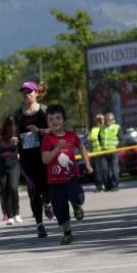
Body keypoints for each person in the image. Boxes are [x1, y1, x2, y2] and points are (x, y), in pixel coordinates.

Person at [41, 104, 93, 245]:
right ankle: (67, 233)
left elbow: (82, 148)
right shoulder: (47, 139)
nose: (55, 121)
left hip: (71, 178)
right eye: (51, 119)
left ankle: (76, 205)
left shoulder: (72, 136)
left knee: (78, 197)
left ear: (64, 119)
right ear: (48, 122)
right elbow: (45, 159)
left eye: (58, 118)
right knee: (60, 210)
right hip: (54, 182)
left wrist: (87, 164)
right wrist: (57, 148)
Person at [13, 81, 53, 238]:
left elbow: (54, 130)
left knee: (46, 188)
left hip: (44, 155)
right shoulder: (18, 113)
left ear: (36, 92)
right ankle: (39, 224)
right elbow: (15, 131)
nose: (26, 94)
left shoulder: (44, 110)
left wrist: (39, 131)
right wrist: (14, 138)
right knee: (33, 190)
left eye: (29, 91)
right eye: (24, 91)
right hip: (26, 158)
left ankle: (48, 203)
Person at [0, 115, 23, 226]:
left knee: (13, 187)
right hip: (1, 165)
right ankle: (10, 216)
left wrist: (19, 150)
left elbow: (23, 147)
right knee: (4, 190)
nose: (11, 129)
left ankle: (16, 213)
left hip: (14, 165)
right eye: (9, 126)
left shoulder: (17, 135)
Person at [99, 112, 122, 192]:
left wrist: (117, 147)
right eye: (108, 119)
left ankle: (115, 186)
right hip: (104, 152)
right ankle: (107, 186)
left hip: (114, 151)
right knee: (105, 170)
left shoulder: (117, 127)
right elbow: (99, 138)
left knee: (114, 170)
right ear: (105, 120)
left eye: (111, 119)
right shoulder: (102, 128)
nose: (110, 121)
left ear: (113, 120)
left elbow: (121, 139)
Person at [88, 114, 105, 192]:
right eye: (97, 120)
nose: (99, 121)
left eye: (100, 119)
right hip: (97, 152)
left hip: (107, 151)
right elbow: (90, 141)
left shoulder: (106, 128)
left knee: (106, 169)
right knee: (98, 171)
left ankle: (109, 185)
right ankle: (99, 186)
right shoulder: (93, 130)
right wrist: (89, 151)